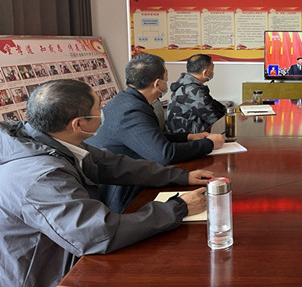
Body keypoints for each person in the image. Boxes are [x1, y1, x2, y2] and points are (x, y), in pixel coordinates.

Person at [0, 80, 214, 287]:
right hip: (40, 274)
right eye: (98, 108)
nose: (103, 111)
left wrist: (180, 176)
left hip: (64, 253)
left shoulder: (48, 140)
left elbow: (113, 165)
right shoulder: (43, 177)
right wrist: (179, 207)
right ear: (78, 124)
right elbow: (98, 233)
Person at [86, 53, 224, 212]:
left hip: (131, 175)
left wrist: (188, 137)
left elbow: (149, 137)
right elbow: (164, 154)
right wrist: (209, 144)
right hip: (123, 194)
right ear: (158, 84)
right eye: (166, 77)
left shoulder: (124, 100)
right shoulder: (132, 111)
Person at [166, 54, 226, 134]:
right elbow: (214, 119)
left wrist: (228, 110)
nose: (212, 72)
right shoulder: (191, 90)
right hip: (187, 137)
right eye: (212, 69)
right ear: (205, 72)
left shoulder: (187, 84)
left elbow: (212, 104)